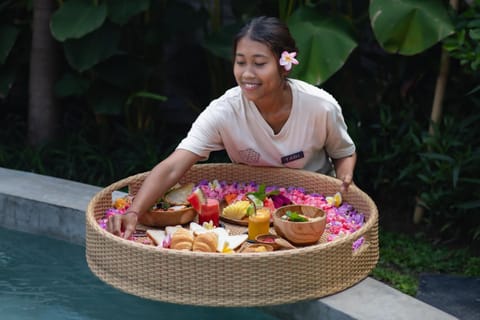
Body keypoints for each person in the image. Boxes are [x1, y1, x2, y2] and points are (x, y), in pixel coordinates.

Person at [107, 16, 357, 239]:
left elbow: (343, 152)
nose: (247, 74)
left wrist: (345, 178)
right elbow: (174, 166)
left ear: (284, 64)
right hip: (247, 215)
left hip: (311, 214)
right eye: (241, 62)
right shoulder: (225, 111)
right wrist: (134, 212)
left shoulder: (320, 106)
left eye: (259, 63)